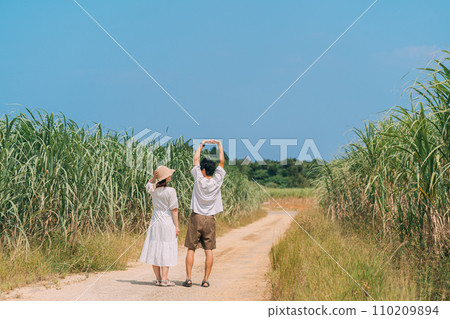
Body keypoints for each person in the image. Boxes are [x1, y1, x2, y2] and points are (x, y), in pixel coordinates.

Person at [183, 139, 226, 288]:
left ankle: (188, 278)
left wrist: (202, 144)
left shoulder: (198, 180)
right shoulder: (217, 181)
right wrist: (219, 145)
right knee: (209, 250)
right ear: (213, 171)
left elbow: (195, 159)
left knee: (191, 248)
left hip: (196, 217)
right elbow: (222, 162)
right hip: (209, 219)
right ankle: (205, 280)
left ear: (202, 170)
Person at [140, 165, 180, 287]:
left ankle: (158, 279)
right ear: (166, 177)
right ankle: (164, 279)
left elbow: (148, 183)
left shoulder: (153, 189)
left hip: (155, 221)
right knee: (166, 249)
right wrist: (176, 226)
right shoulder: (170, 191)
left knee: (155, 248)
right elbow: (174, 210)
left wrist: (154, 177)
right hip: (167, 221)